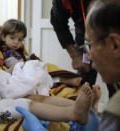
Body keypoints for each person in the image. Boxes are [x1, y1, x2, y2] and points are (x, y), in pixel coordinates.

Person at [0, 1, 94, 124]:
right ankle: (73, 115)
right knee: (23, 104)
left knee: (32, 96)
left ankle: (81, 107)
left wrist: (12, 72)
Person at [17, 0, 120, 130]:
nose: (88, 57)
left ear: (115, 45)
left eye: (90, 45)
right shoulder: (64, 2)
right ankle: (89, 110)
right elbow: (58, 23)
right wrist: (75, 55)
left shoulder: (115, 111)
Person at [0, 19, 82, 87]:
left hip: (26, 69)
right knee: (39, 75)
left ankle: (61, 79)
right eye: (12, 38)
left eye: (20, 40)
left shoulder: (18, 50)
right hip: (20, 74)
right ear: (4, 37)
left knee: (44, 70)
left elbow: (24, 57)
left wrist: (30, 59)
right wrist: (27, 63)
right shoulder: (5, 52)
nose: (16, 42)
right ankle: (62, 80)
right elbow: (15, 65)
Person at [50, 0, 97, 87]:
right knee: (85, 77)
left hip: (111, 32)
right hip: (83, 37)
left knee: (114, 78)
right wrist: (74, 55)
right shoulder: (62, 1)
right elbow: (58, 23)